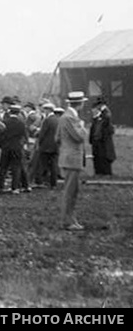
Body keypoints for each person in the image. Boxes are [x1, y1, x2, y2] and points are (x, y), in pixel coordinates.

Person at [57, 91, 88, 230]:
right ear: (80, 104)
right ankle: (67, 222)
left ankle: (70, 219)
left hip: (68, 157)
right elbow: (79, 137)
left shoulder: (65, 117)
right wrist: (82, 125)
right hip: (72, 159)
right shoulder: (70, 118)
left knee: (72, 190)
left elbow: (57, 138)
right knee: (70, 192)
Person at [0, 102, 31, 193]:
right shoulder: (21, 123)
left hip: (6, 147)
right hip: (17, 148)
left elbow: (0, 135)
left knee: (3, 167)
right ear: (18, 113)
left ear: (10, 112)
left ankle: (1, 186)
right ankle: (15, 188)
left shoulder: (4, 122)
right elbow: (24, 136)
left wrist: (1, 145)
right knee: (16, 167)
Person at [35, 101, 61, 188]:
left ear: (48, 110)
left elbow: (42, 133)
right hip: (55, 146)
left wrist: (39, 141)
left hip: (45, 146)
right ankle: (53, 183)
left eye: (45, 109)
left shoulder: (47, 120)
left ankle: (43, 181)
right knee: (53, 165)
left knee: (43, 165)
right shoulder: (57, 119)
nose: (44, 111)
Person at [89, 98, 116, 176]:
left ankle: (105, 172)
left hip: (103, 140)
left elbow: (106, 127)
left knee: (104, 156)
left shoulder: (106, 114)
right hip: (98, 140)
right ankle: (99, 172)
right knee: (98, 156)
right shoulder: (99, 115)